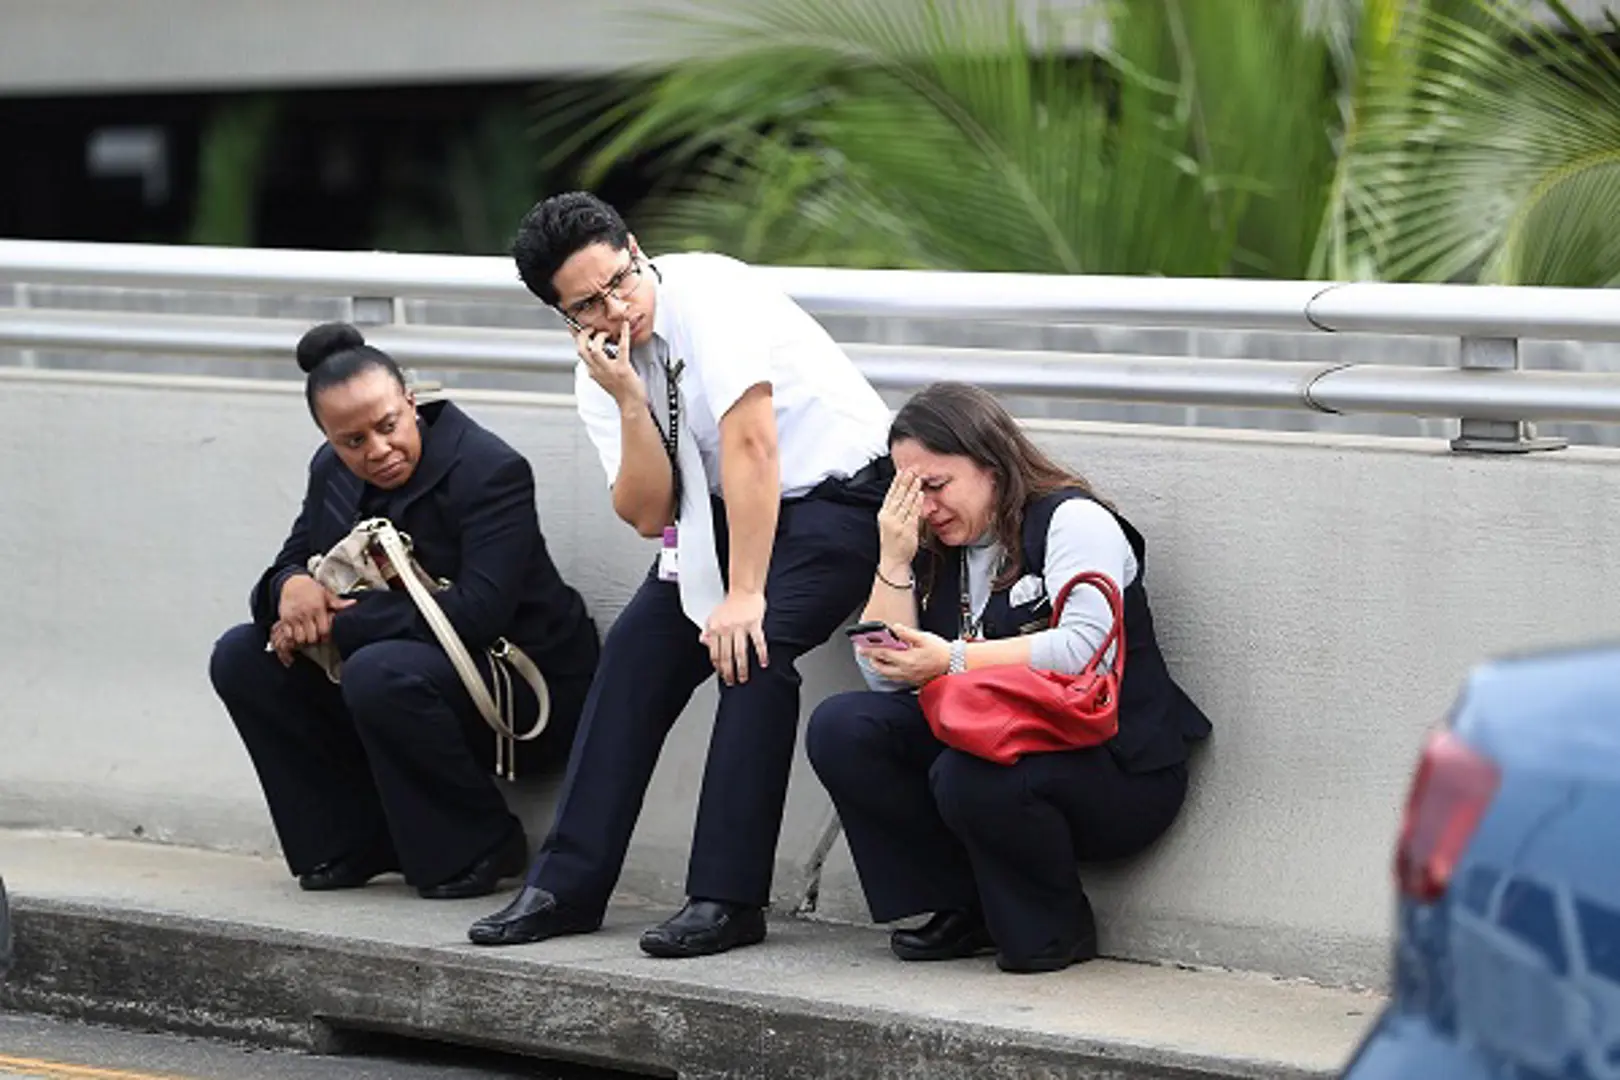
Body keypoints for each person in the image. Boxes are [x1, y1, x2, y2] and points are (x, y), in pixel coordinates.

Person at [469, 191, 892, 958]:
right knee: (633, 656)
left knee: (752, 652)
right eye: (587, 306)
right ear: (562, 316)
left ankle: (727, 900)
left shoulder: (710, 293)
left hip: (839, 497)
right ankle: (566, 885)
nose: (615, 309)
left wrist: (745, 594)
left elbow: (753, 444)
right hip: (719, 514)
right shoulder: (601, 368)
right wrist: (630, 400)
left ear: (635, 248)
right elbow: (646, 512)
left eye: (620, 282)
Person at [805, 382, 1211, 973]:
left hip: (1114, 767)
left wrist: (953, 660)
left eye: (937, 486)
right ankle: (962, 907)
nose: (926, 508)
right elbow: (886, 681)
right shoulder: (935, 542)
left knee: (969, 771)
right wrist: (893, 558)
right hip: (1001, 743)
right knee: (846, 727)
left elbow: (1082, 650)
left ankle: (1053, 929)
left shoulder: (1072, 521)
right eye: (910, 492)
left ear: (991, 466)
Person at [210, 322, 599, 900]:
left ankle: (482, 845)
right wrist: (289, 587)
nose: (378, 451)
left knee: (379, 670)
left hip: (520, 683)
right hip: (407, 675)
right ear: (328, 438)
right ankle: (352, 841)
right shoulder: (331, 470)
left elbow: (477, 613)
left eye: (388, 426)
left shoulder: (489, 469)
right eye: (353, 441)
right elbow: (299, 554)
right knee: (242, 656)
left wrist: (340, 622)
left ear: (411, 402)